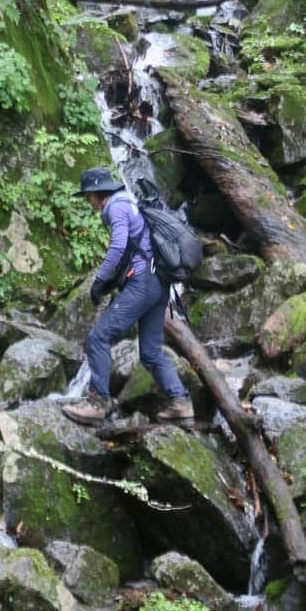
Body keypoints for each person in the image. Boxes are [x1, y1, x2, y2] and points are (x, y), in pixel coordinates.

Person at [62, 167, 193, 426]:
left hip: (143, 282)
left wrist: (101, 279)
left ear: (98, 193)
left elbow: (119, 244)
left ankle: (98, 402)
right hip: (158, 285)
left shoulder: (115, 208)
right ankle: (181, 402)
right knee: (151, 352)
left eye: (88, 196)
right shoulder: (129, 204)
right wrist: (111, 282)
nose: (89, 203)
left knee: (98, 338)